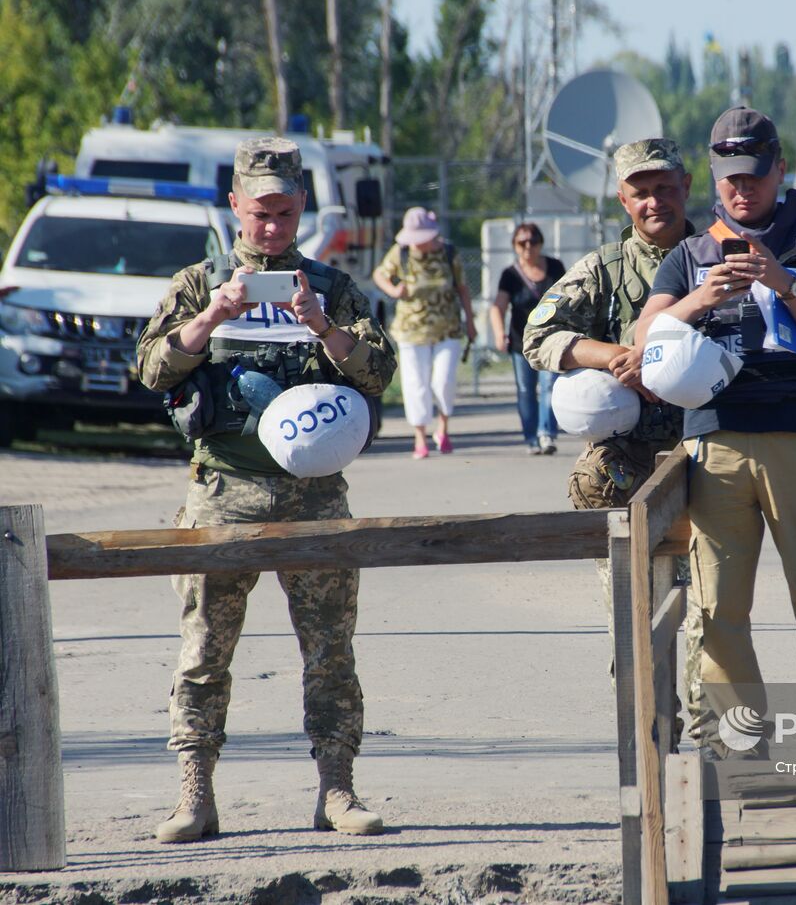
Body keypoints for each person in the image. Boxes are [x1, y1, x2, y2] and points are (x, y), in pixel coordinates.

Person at [136, 137, 396, 841]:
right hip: (224, 490)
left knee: (330, 648)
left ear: (303, 206)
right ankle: (195, 793)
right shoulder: (200, 282)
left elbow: (380, 373)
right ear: (234, 208)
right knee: (203, 650)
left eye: (284, 212)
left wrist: (323, 328)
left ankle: (336, 790)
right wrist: (212, 317)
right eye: (259, 214)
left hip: (313, 494)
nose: (273, 228)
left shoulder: (333, 288)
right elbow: (152, 369)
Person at [636, 106, 796, 760]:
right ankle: (744, 744)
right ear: (715, 175)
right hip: (716, 444)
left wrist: (780, 278)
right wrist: (700, 299)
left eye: (756, 175)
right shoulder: (688, 253)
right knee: (717, 611)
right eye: (731, 177)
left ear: (780, 169)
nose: (743, 189)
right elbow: (644, 340)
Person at [521, 137, 704, 729]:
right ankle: (651, 740)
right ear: (624, 200)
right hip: (627, 467)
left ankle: (717, 750)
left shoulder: (719, 256)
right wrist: (612, 357)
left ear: (687, 189)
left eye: (665, 189)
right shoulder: (604, 269)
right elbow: (537, 338)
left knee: (711, 615)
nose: (655, 202)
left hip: (709, 456)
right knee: (636, 616)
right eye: (641, 192)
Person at [372, 207, 475, 459]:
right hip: (411, 330)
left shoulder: (449, 252)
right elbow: (379, 274)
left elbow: (462, 289)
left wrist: (470, 321)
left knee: (443, 381)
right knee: (415, 384)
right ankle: (420, 437)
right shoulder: (402, 253)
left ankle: (443, 428)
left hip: (447, 327)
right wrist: (394, 291)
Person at [492, 222, 565, 454]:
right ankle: (532, 437)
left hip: (550, 338)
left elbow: (567, 298)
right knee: (525, 390)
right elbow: (498, 307)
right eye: (521, 242)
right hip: (520, 342)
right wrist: (498, 334)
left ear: (540, 243)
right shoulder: (510, 275)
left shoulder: (555, 267)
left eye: (532, 241)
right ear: (514, 246)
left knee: (550, 385)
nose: (528, 247)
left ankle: (546, 434)